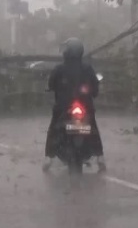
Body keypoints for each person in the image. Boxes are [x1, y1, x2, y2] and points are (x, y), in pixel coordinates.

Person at [42, 37, 106, 173]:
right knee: (92, 128)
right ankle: (100, 157)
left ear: (67, 52)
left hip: (63, 108)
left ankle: (48, 157)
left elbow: (50, 85)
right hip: (85, 107)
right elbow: (95, 90)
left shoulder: (59, 69)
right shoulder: (88, 68)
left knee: (54, 129)